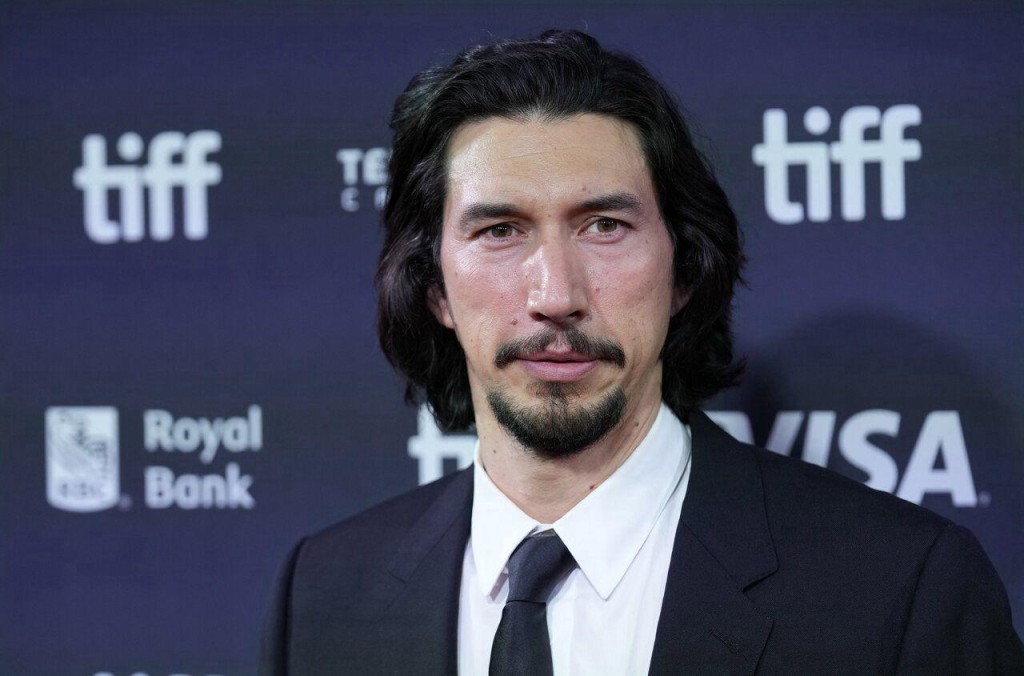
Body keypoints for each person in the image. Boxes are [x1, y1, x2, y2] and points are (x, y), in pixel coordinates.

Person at [260, 29, 1023, 675]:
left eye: (605, 227)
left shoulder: (900, 590)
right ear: (435, 288)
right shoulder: (326, 596)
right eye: (500, 231)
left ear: (684, 269)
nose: (556, 294)